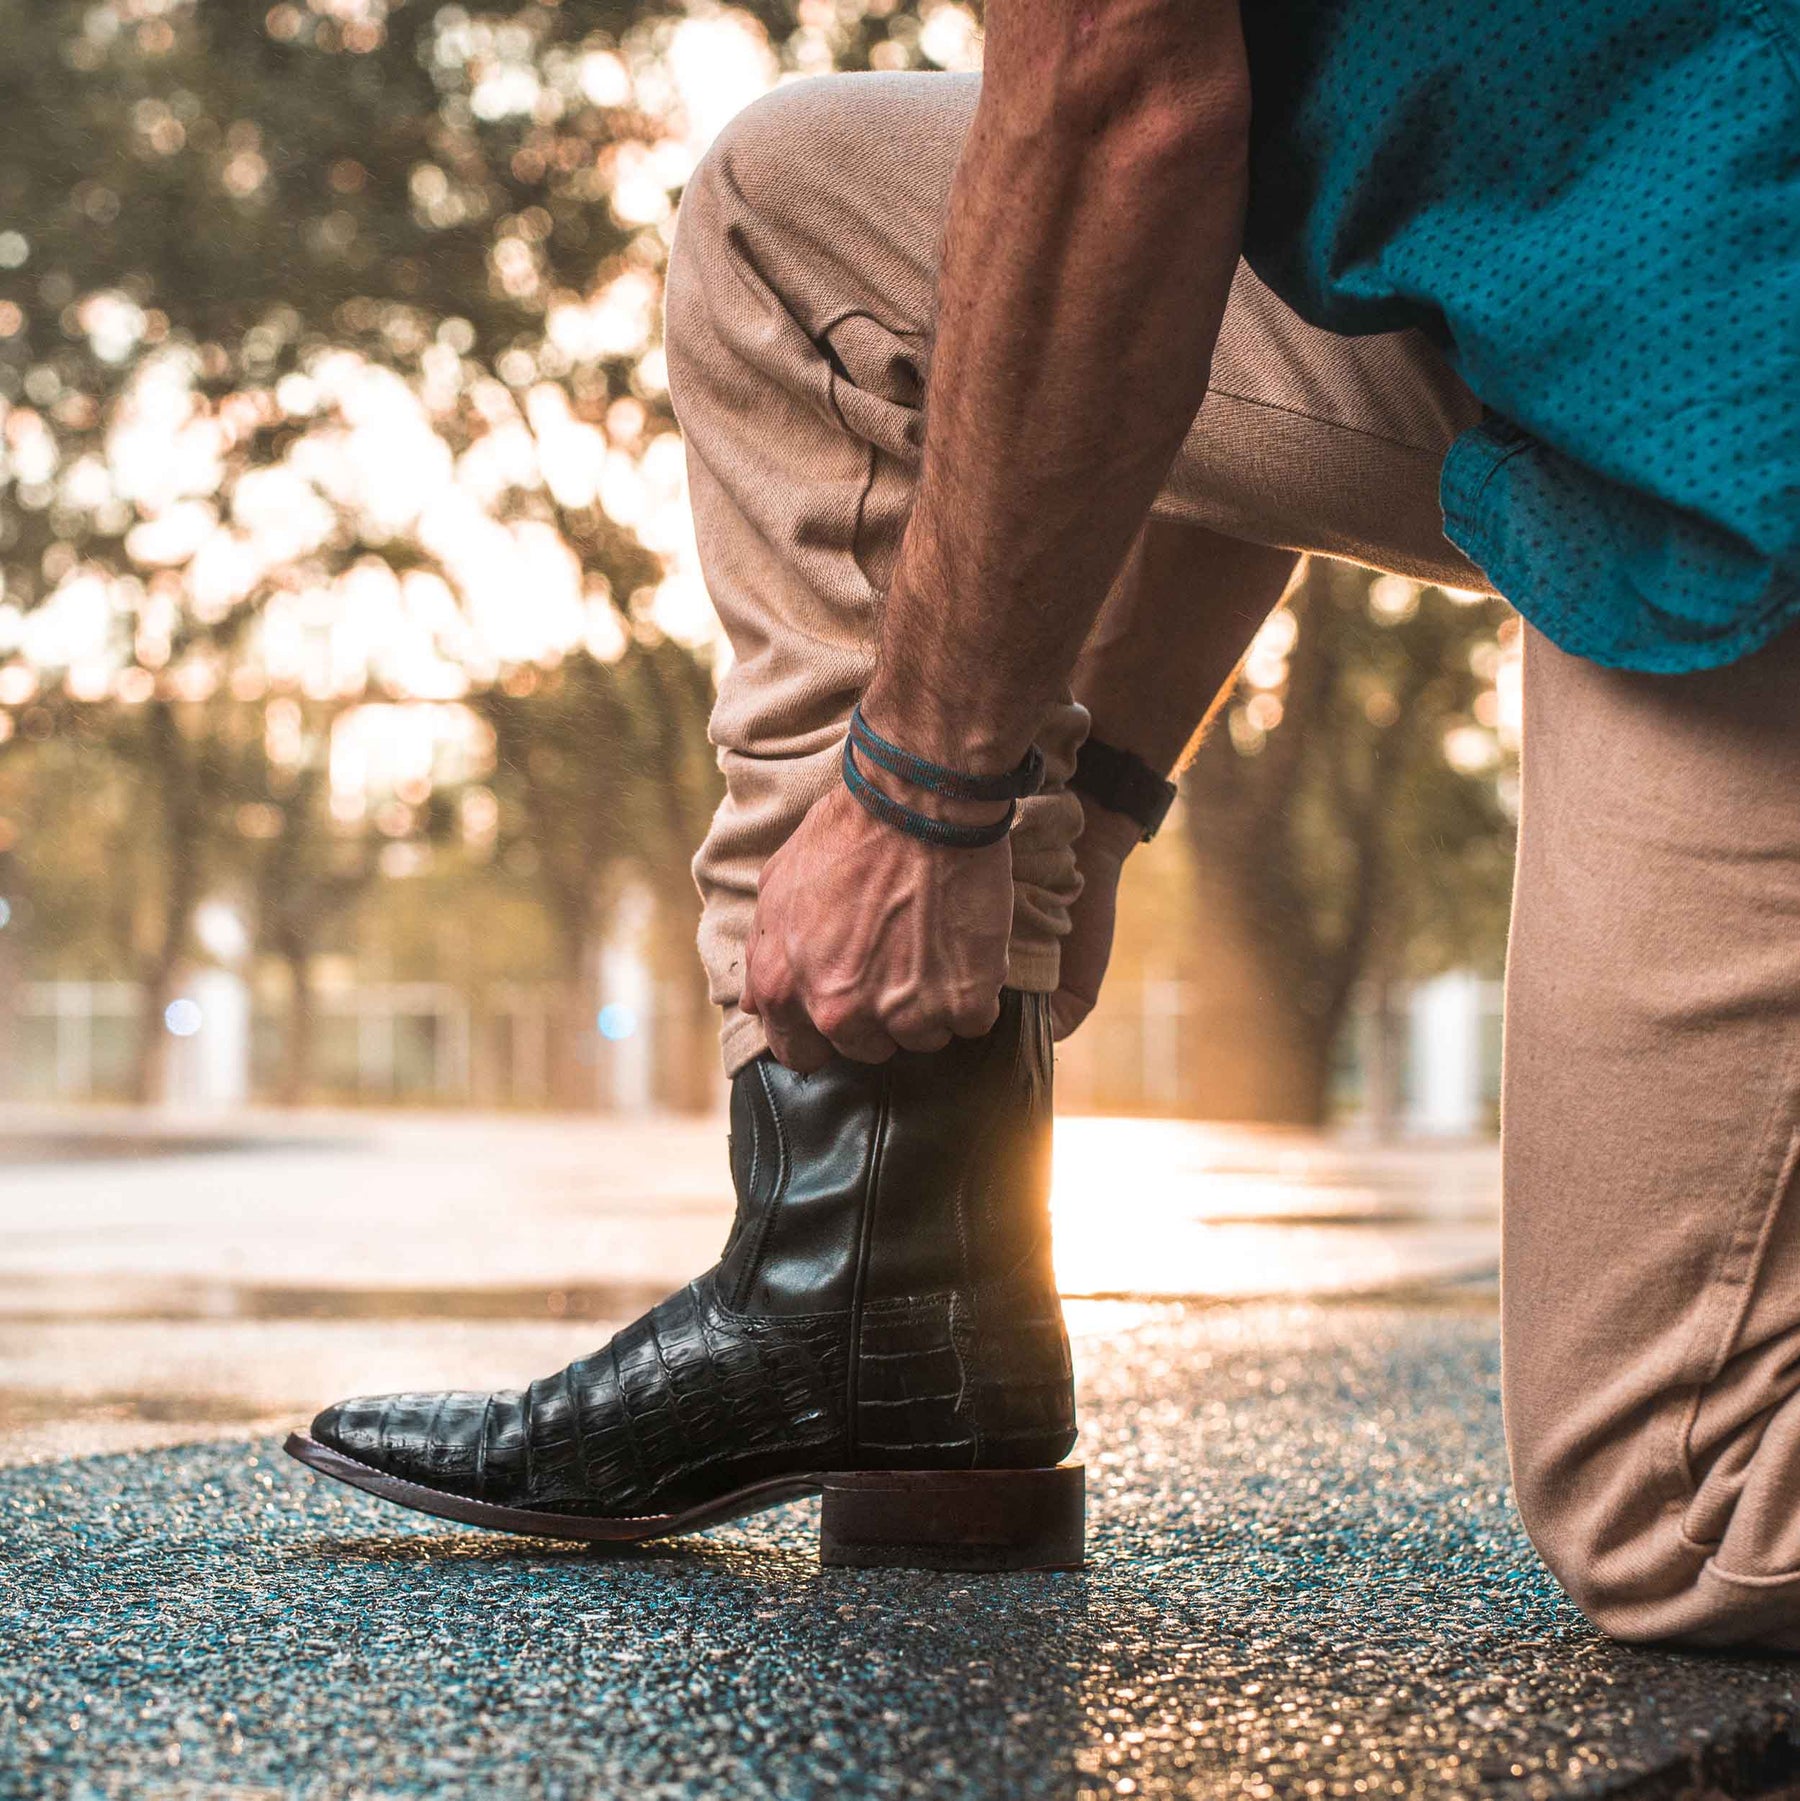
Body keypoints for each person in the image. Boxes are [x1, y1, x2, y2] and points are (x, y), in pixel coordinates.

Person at [287, 0, 1800, 1634]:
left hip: (1737, 370)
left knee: (1683, 1502)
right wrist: (1085, 787)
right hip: (1591, 267)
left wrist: (926, 790)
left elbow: (1119, 103)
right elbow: (1226, 206)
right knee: (803, 229)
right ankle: (879, 1326)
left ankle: (884, 1331)